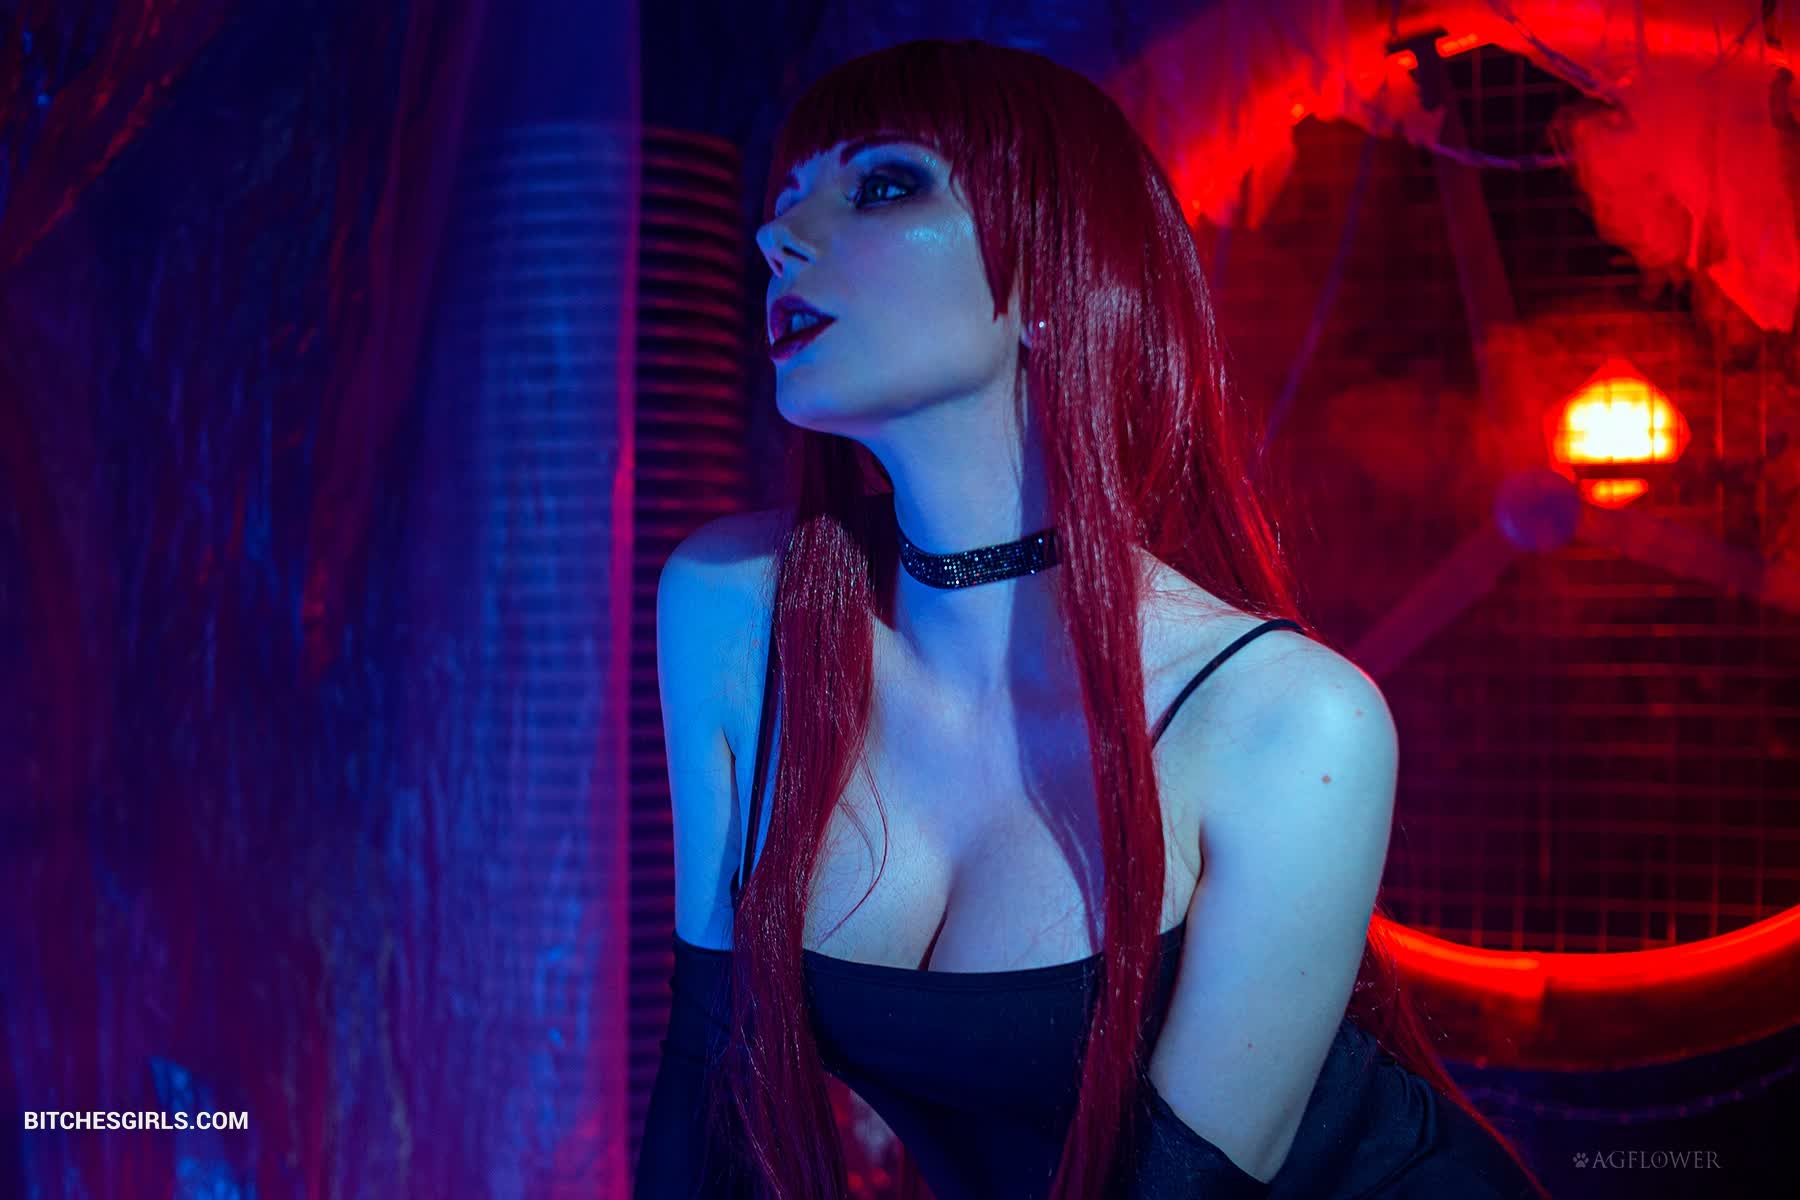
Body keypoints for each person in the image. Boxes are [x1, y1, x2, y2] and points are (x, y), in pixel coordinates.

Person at [635, 37, 1549, 1200]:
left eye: (883, 185)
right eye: (789, 195)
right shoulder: (733, 607)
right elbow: (709, 1083)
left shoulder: (1291, 720)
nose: (779, 235)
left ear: (1056, 283)